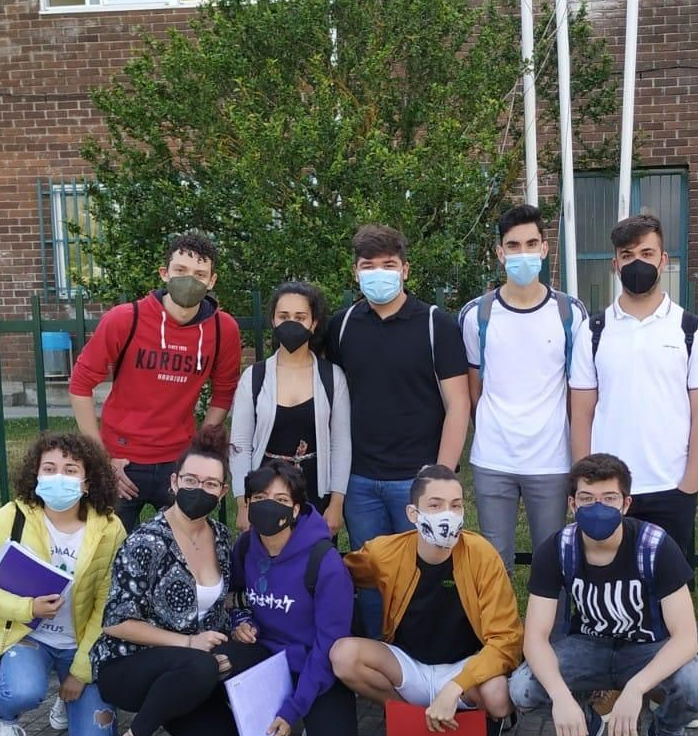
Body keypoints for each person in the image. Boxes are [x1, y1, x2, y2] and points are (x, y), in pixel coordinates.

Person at [508, 454, 698, 736]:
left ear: (626, 503)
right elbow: (535, 636)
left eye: (609, 499)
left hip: (648, 646)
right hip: (588, 646)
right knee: (523, 688)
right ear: (572, 503)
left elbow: (687, 638)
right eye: (587, 499)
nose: (597, 508)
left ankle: (665, 734)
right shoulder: (558, 548)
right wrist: (561, 697)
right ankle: (584, 725)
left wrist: (636, 689)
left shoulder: (654, 545)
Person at [92, 427, 270, 736]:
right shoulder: (147, 541)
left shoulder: (220, 537)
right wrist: (188, 644)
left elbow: (223, 599)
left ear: (222, 492)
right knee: (202, 665)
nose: (198, 489)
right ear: (174, 482)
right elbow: (116, 622)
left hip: (189, 668)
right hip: (128, 661)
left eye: (209, 484)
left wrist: (238, 621)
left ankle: (176, 704)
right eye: (190, 479)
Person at [326, 224, 470, 633]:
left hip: (417, 478)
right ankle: (379, 665)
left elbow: (458, 404)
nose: (379, 273)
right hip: (360, 482)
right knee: (371, 580)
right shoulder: (342, 326)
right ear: (355, 272)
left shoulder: (435, 325)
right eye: (368, 266)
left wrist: (440, 477)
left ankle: (422, 662)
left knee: (426, 576)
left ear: (405, 269)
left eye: (388, 265)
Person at [329, 464, 522, 736]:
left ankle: (482, 718)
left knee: (498, 696)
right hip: (408, 665)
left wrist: (455, 688)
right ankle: (408, 715)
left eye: (455, 506)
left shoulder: (482, 554)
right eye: (435, 505)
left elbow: (507, 640)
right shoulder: (385, 553)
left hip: (464, 669)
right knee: (343, 656)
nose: (447, 514)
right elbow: (339, 576)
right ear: (412, 514)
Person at [0, 431, 126, 736]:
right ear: (35, 476)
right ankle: (4, 720)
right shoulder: (11, 517)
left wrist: (80, 671)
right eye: (49, 469)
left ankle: (67, 695)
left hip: (80, 642)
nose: (58, 477)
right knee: (23, 691)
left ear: (88, 482)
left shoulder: (110, 528)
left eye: (71, 469)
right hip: (26, 635)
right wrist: (27, 608)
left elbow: (108, 604)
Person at [569, 212, 698, 567]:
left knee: (668, 593)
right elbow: (581, 413)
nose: (638, 263)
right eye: (628, 255)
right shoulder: (593, 331)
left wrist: (689, 487)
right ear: (615, 263)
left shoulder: (691, 330)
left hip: (670, 486)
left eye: (647, 254)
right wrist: (584, 486)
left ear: (663, 260)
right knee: (606, 586)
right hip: (608, 490)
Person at [69, 231, 242, 531]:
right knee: (108, 554)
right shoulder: (125, 319)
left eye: (200, 274)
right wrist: (101, 458)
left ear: (212, 281)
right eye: (181, 271)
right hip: (120, 461)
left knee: (180, 552)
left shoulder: (223, 329)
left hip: (177, 462)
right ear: (165, 273)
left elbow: (224, 393)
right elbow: (80, 384)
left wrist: (198, 449)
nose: (190, 280)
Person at [461, 204, 587, 569]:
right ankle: (497, 629)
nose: (522, 253)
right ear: (500, 253)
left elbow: (576, 391)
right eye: (513, 246)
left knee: (554, 561)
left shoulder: (570, 313)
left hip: (550, 460)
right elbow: (474, 389)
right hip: (492, 459)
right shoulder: (476, 315)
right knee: (493, 564)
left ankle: (556, 630)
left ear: (545, 249)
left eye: (531, 243)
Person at [228, 462, 359, 736]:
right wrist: (241, 619)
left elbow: (329, 645)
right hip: (266, 660)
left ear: (296, 509)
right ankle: (262, 729)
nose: (268, 506)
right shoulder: (246, 546)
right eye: (259, 497)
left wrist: (294, 709)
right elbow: (233, 595)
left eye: (280, 499)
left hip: (314, 662)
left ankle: (301, 718)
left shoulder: (324, 562)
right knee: (217, 658)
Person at [230, 280, 350, 538]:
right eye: (284, 316)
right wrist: (243, 503)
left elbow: (341, 444)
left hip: (316, 491)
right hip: (265, 492)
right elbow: (240, 444)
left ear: (313, 323)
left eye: (300, 316)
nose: (291, 323)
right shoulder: (255, 377)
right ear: (273, 321)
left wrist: (336, 503)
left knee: (312, 568)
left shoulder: (332, 377)